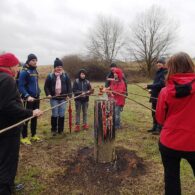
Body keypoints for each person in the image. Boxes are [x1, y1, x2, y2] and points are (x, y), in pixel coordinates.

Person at [0, 53, 42, 195]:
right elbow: (8, 106)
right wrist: (30, 113)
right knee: (8, 160)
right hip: (8, 129)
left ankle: (8, 184)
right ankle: (6, 188)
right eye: (16, 65)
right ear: (10, 65)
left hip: (3, 126)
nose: (18, 68)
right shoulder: (7, 79)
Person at [156, 52, 195, 195]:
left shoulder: (165, 92)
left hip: (169, 143)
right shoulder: (164, 91)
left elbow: (160, 119)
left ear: (171, 68)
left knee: (171, 180)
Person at [44, 58, 72, 136]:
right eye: (57, 67)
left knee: (62, 114)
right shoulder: (50, 76)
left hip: (63, 98)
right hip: (54, 98)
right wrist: (48, 94)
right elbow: (46, 87)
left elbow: (69, 86)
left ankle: (60, 129)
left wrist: (69, 96)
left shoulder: (66, 76)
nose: (59, 68)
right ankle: (54, 129)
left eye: (60, 66)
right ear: (54, 68)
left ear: (62, 67)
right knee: (55, 114)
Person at [18, 54, 41, 145]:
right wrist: (27, 96)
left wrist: (38, 93)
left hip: (36, 97)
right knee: (26, 117)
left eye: (36, 60)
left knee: (35, 116)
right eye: (33, 60)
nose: (35, 62)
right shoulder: (24, 72)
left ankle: (34, 135)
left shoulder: (35, 71)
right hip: (28, 99)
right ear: (29, 61)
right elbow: (21, 86)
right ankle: (24, 137)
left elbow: (35, 84)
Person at [147, 57, 167, 135]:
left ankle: (159, 128)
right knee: (153, 112)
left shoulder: (165, 72)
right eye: (158, 63)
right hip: (154, 95)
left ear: (164, 64)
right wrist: (152, 90)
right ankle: (154, 127)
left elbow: (161, 84)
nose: (158, 64)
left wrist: (149, 86)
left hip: (160, 96)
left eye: (160, 63)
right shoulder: (158, 72)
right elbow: (156, 84)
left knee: (159, 112)